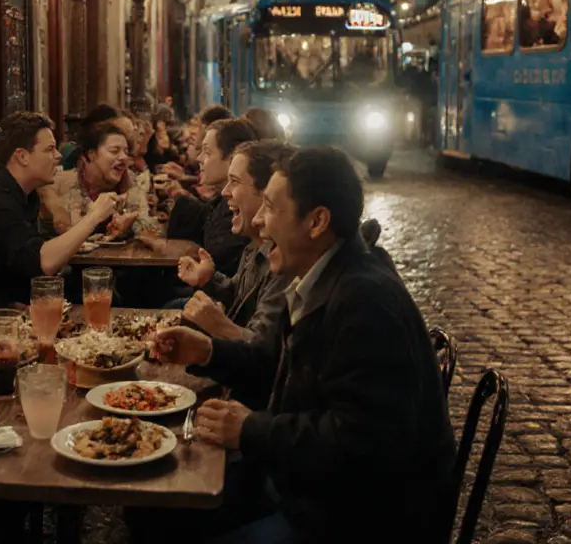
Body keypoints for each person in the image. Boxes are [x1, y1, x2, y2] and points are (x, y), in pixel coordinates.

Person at [151, 147, 456, 544]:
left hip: (357, 519)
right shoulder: (322, 276)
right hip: (307, 487)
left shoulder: (365, 301)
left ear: (317, 221)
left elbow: (360, 442)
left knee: (170, 513)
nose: (258, 222)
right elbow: (275, 361)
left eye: (270, 208)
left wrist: (250, 429)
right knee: (159, 507)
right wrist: (207, 352)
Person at [0, 112, 118, 338]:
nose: (58, 156)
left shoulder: (23, 193)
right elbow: (42, 262)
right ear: (22, 156)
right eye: (49, 149)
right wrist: (94, 216)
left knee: (95, 291)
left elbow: (26, 259)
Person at [176, 140, 294, 347]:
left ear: (268, 193)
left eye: (235, 182)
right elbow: (239, 295)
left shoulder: (285, 262)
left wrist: (220, 326)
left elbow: (264, 351)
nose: (224, 192)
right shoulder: (255, 246)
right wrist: (209, 279)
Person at [167, 118, 257, 277]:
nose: (199, 158)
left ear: (232, 158)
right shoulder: (221, 203)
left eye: (207, 152)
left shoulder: (239, 211)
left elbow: (220, 271)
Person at [47, 123, 156, 236]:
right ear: (92, 155)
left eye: (126, 152)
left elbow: (148, 225)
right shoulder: (62, 184)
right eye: (114, 151)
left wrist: (131, 226)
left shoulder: (130, 181)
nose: (124, 157)